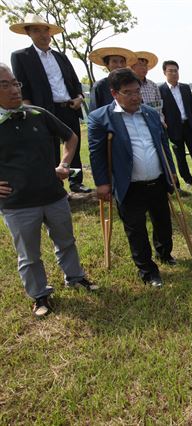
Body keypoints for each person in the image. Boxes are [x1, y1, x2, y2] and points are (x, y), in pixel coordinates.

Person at [0, 64, 97, 318]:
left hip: (53, 195)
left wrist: (64, 163)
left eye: (15, 83)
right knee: (29, 255)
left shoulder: (37, 114)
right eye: (4, 85)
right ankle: (39, 294)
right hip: (17, 202)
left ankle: (75, 277)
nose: (13, 89)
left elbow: (71, 136)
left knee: (66, 241)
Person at [88, 68, 177, 288]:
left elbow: (163, 145)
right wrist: (102, 183)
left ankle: (164, 253)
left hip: (156, 179)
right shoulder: (100, 118)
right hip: (129, 185)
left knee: (163, 223)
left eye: (137, 91)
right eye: (128, 92)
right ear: (114, 93)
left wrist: (171, 171)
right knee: (136, 230)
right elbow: (96, 153)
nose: (135, 96)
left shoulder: (150, 113)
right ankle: (147, 270)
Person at [10, 14, 90, 193]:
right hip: (44, 110)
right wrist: (29, 110)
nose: (43, 34)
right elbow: (23, 86)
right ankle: (56, 184)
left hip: (68, 107)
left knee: (73, 145)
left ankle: (76, 182)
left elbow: (75, 82)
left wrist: (79, 97)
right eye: (36, 30)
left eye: (45, 30)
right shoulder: (21, 56)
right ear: (28, 33)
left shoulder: (61, 57)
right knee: (49, 148)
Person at [159, 60, 192, 187]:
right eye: (170, 71)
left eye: (176, 70)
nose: (174, 73)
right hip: (173, 129)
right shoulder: (161, 90)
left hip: (188, 126)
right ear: (165, 72)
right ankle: (188, 180)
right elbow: (161, 112)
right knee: (180, 157)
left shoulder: (185, 88)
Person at [88, 47, 137, 111]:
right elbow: (93, 112)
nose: (119, 65)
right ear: (107, 64)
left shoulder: (132, 84)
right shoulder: (100, 86)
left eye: (122, 61)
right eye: (114, 61)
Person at [131, 51, 164, 119]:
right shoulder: (128, 85)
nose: (144, 68)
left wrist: (161, 120)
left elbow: (158, 107)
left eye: (145, 65)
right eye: (140, 64)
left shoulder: (153, 85)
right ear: (132, 66)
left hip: (153, 120)